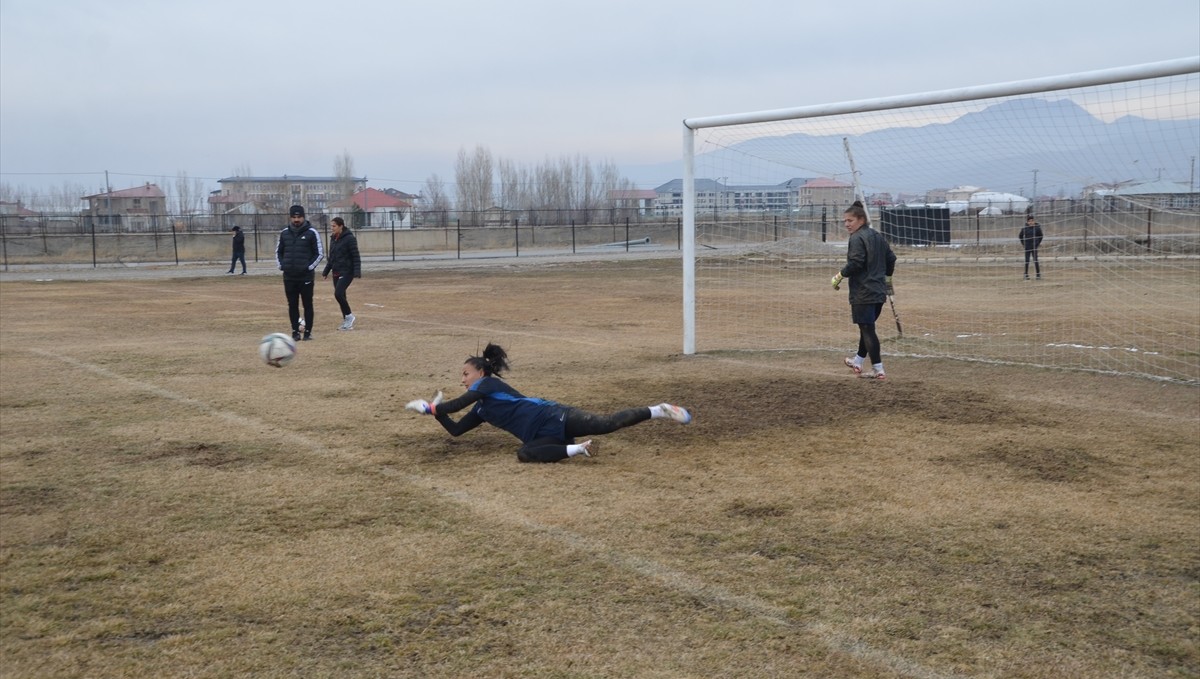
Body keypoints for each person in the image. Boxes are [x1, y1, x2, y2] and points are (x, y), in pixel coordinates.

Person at [404, 343, 693, 463]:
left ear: (481, 372)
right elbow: (456, 429)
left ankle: (659, 410)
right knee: (524, 454)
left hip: (553, 415)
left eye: (465, 374)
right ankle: (576, 449)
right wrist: (435, 413)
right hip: (541, 435)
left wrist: (432, 408)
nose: (463, 379)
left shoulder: (488, 385)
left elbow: (455, 405)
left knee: (606, 423)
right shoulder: (481, 408)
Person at [831, 200, 897, 380]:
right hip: (878, 292)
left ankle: (878, 369)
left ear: (861, 220)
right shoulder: (877, 235)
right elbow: (891, 259)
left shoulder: (857, 238)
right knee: (867, 327)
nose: (846, 224)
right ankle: (858, 361)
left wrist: (839, 275)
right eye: (845, 221)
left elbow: (856, 263)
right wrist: (887, 280)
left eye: (849, 220)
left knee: (867, 329)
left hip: (863, 292)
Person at [275, 205, 323, 341]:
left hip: (305, 277)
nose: (296, 220)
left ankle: (308, 333)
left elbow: (319, 254)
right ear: (290, 217)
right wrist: (281, 265)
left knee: (307, 304)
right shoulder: (284, 233)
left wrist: (308, 267)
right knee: (292, 304)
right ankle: (295, 331)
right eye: (294, 217)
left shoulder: (312, 232)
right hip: (289, 277)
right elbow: (278, 251)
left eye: (299, 217)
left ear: (303, 217)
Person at [321, 217, 361, 331]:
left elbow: (355, 255)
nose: (331, 228)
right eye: (331, 226)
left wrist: (357, 271)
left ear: (340, 226)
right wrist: (326, 271)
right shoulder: (333, 239)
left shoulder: (349, 239)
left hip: (347, 271)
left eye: (334, 226)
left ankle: (350, 316)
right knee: (342, 296)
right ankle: (347, 323)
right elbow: (331, 257)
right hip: (336, 271)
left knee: (338, 294)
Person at [1019, 215, 1044, 280]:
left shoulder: (1037, 228)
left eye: (1032, 221)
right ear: (1027, 222)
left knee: (1035, 260)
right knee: (1027, 260)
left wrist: (1037, 243)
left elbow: (1041, 236)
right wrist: (1023, 243)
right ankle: (1026, 274)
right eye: (1029, 221)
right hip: (1027, 247)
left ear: (1034, 221)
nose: (1031, 222)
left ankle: (1038, 274)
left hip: (1034, 247)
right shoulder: (1024, 228)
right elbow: (1020, 236)